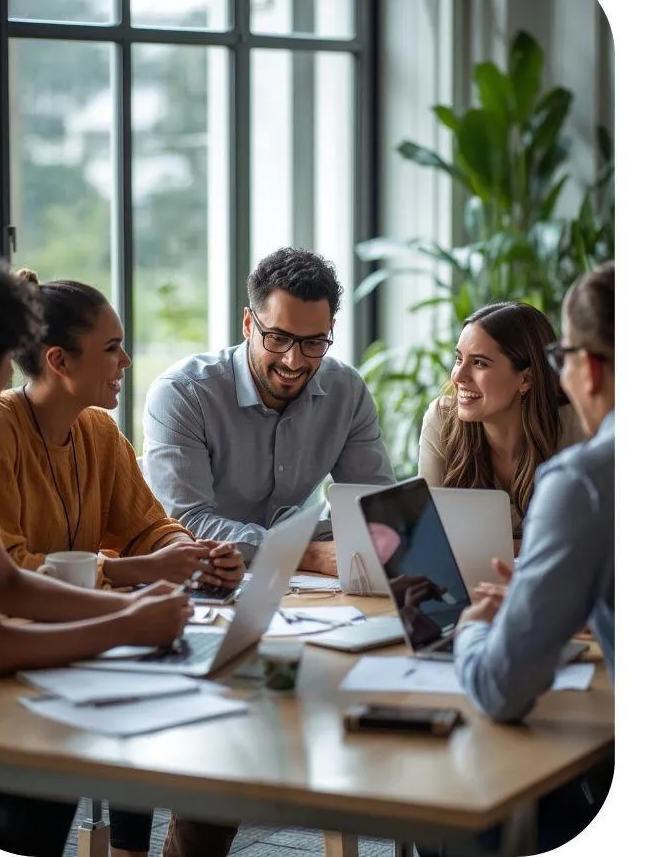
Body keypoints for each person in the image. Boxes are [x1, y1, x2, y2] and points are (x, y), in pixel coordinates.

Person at [0, 269, 245, 857]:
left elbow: (9, 583)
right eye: (5, 351)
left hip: (2, 667)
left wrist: (174, 562)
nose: (14, 365)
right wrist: (126, 611)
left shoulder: (90, 434)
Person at [142, 247, 396, 856]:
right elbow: (188, 522)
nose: (295, 360)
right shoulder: (184, 393)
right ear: (248, 323)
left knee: (384, 696)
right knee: (225, 754)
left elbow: (374, 509)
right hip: (195, 592)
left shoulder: (344, 390)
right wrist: (306, 552)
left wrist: (345, 543)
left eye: (315, 343)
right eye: (279, 337)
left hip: (299, 604)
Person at [443, 262, 615, 854]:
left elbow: (501, 687)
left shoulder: (587, 478)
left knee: (471, 795)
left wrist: (471, 629)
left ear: (586, 367)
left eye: (562, 355)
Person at [418, 301, 584, 555]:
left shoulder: (575, 426)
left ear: (525, 379)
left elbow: (594, 540)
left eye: (480, 363)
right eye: (459, 359)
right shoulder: (441, 419)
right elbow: (429, 536)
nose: (458, 376)